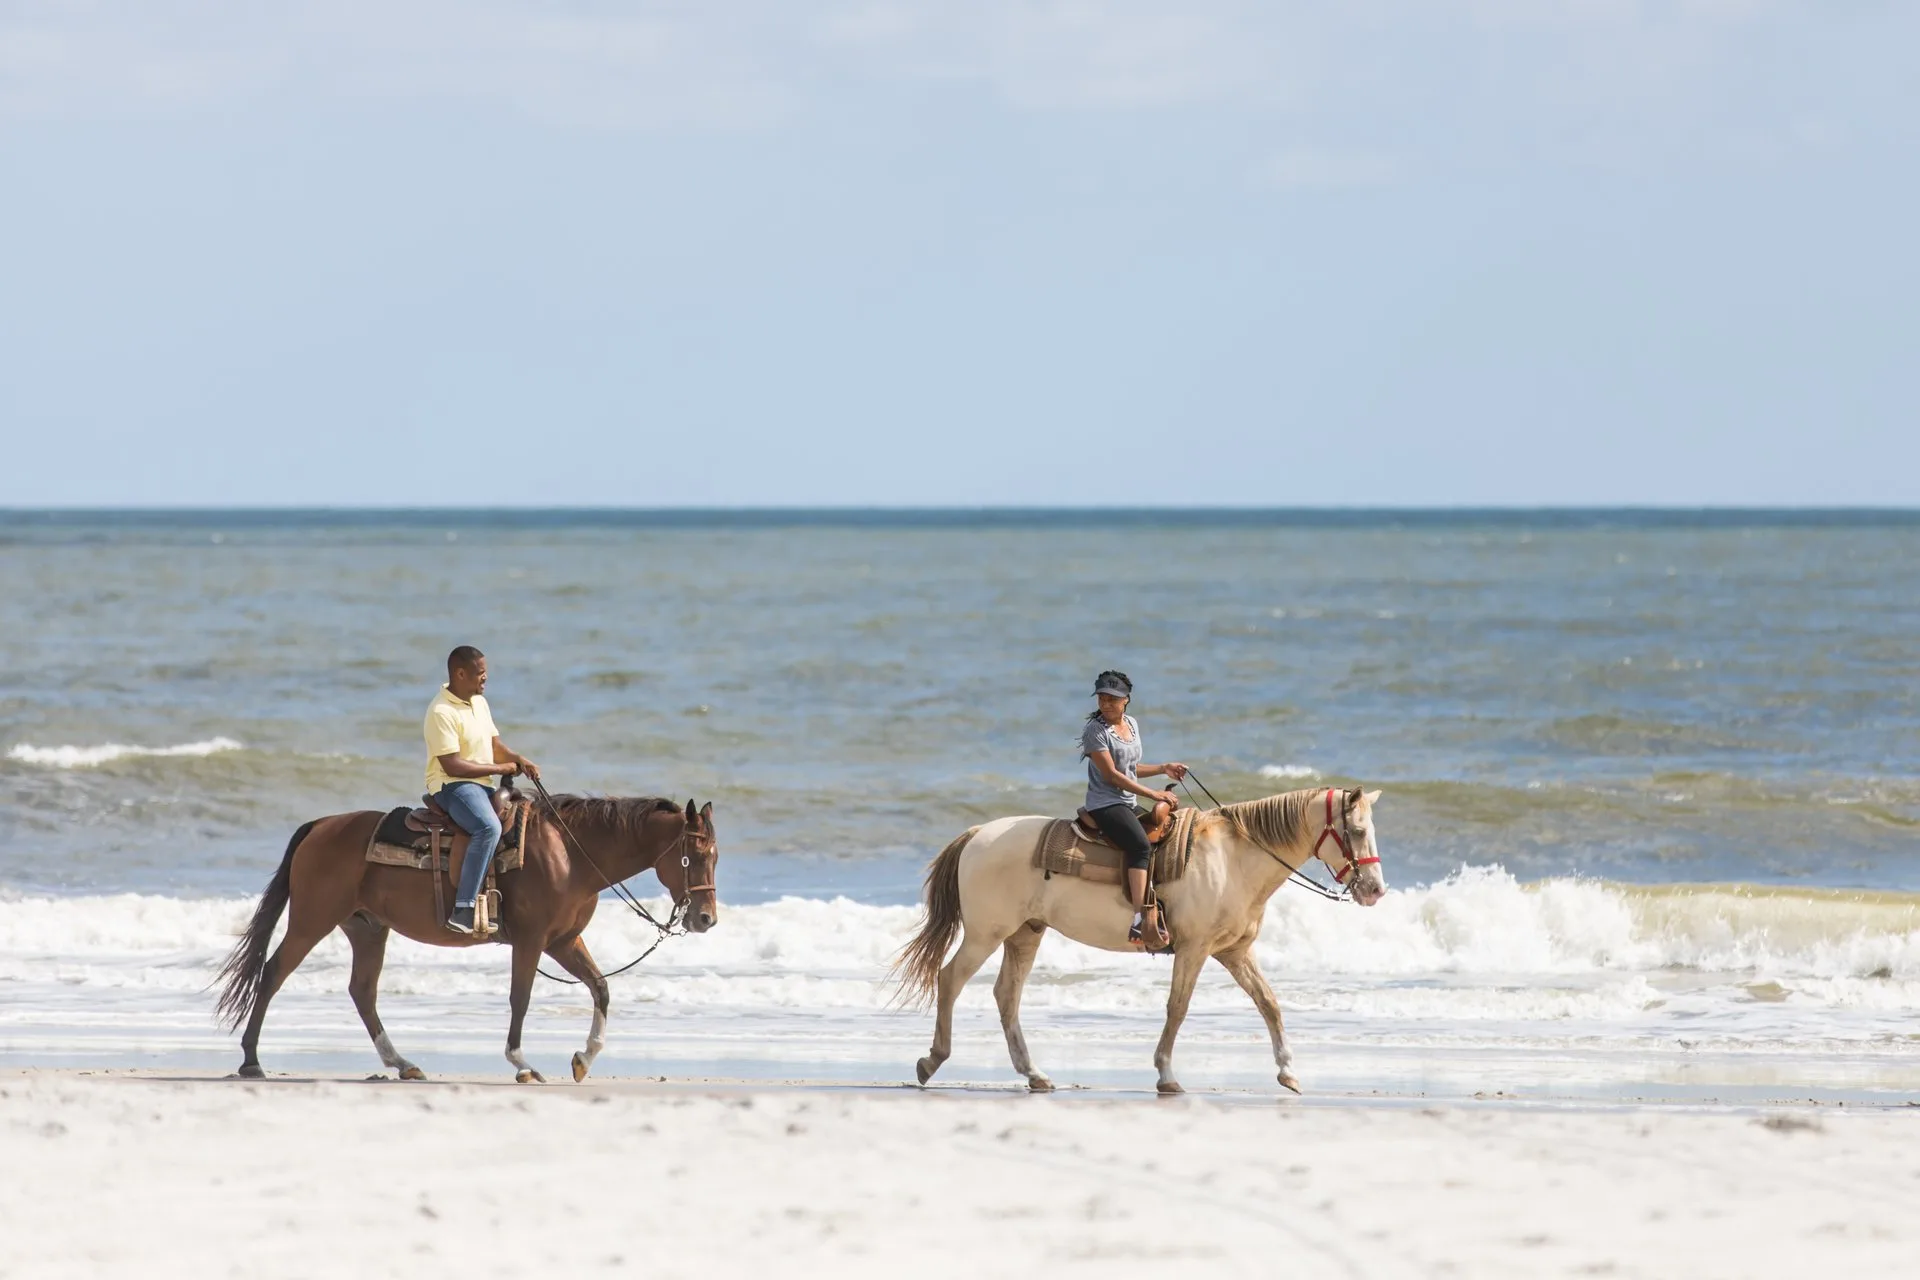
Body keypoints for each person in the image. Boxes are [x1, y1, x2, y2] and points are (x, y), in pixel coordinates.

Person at [425, 645, 541, 935]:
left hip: (481, 783)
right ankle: (463, 909)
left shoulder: (479, 703)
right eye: (480, 673)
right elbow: (452, 766)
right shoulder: (441, 711)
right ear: (460, 673)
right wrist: (499, 770)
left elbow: (494, 747)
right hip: (452, 786)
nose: (485, 678)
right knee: (488, 828)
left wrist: (517, 759)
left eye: (485, 672)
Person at [1078, 670, 1187, 949]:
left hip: (1128, 801)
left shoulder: (1132, 725)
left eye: (1112, 698)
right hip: (1105, 804)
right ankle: (1140, 917)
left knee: (1166, 832)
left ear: (1126, 700)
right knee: (1139, 846)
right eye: (1102, 698)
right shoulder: (1095, 731)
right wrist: (1153, 793)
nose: (1106, 703)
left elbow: (1131, 769)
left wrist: (1164, 768)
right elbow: (1113, 776)